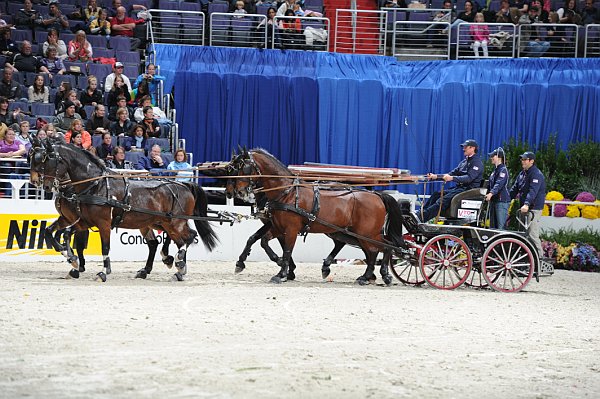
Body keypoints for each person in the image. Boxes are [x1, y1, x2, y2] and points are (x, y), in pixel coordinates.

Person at [419, 139, 484, 223]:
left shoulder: (477, 163)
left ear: (472, 148)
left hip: (468, 190)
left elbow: (469, 178)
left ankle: (423, 217)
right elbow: (451, 174)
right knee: (436, 195)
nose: (463, 149)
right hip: (459, 188)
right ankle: (420, 214)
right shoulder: (464, 162)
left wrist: (452, 178)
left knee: (442, 200)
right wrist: (435, 176)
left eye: (465, 147)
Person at [509, 151, 546, 257]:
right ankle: (524, 257)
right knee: (521, 234)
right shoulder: (522, 174)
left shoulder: (536, 174)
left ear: (532, 161)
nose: (523, 161)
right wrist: (505, 199)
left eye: (525, 159)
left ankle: (540, 258)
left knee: (532, 234)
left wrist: (526, 204)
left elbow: (532, 191)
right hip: (524, 208)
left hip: (533, 208)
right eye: (522, 159)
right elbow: (514, 189)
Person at [485, 148, 510, 229]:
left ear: (499, 157)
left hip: (501, 201)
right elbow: (490, 185)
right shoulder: (495, 171)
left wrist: (491, 193)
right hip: (494, 201)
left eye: (493, 156)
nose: (491, 158)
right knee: (493, 227)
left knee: (500, 227)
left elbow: (499, 184)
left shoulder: (503, 170)